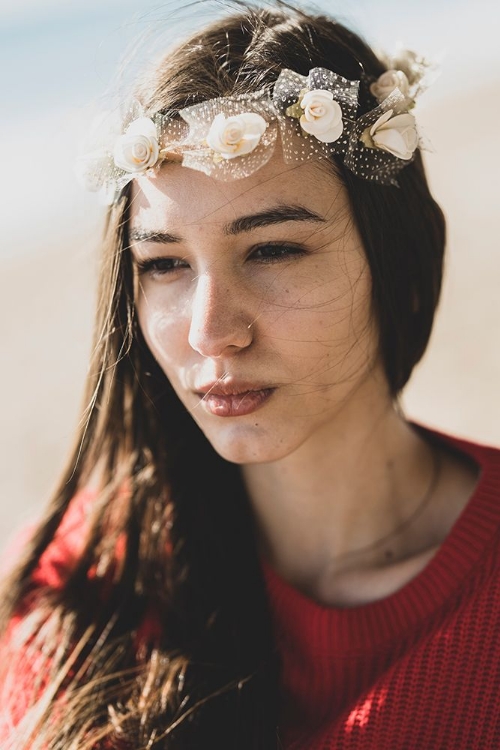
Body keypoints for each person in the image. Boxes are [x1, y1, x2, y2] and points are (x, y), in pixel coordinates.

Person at [1, 2, 499, 748]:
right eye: (164, 264)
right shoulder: (85, 588)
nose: (210, 331)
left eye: (272, 250)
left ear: (395, 253)